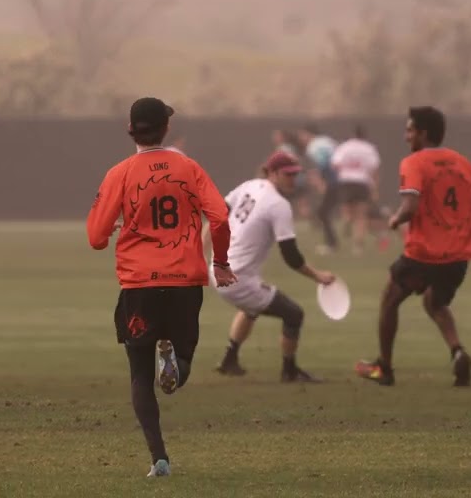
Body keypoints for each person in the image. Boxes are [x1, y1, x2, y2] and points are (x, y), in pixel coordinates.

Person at [86, 97, 237, 479]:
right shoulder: (189, 167)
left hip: (139, 284)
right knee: (182, 361)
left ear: (130, 130)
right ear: (166, 129)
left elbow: (95, 237)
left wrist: (118, 227)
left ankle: (159, 459)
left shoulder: (119, 173)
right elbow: (219, 217)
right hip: (185, 281)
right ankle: (173, 362)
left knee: (139, 373)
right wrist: (220, 262)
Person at [355, 107, 471, 387]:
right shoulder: (462, 162)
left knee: (389, 301)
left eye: (410, 130)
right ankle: (457, 351)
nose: (406, 136)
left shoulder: (414, 162)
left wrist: (395, 218)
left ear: (423, 133)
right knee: (434, 301)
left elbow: (410, 205)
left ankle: (385, 368)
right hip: (458, 256)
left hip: (424, 254)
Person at [215, 151, 336, 382]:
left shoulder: (250, 185)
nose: (293, 179)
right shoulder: (278, 205)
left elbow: (217, 212)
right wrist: (318, 276)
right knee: (294, 314)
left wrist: (202, 250)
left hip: (219, 269)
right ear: (272, 173)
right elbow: (291, 256)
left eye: (295, 175)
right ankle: (289, 371)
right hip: (237, 279)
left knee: (251, 308)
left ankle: (229, 360)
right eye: (287, 175)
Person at [331, 125, 381, 253]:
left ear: (353, 134)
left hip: (346, 181)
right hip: (362, 182)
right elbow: (374, 169)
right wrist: (375, 189)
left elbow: (334, 164)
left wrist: (342, 173)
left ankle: (347, 221)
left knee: (347, 212)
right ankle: (358, 246)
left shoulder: (344, 146)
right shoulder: (369, 148)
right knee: (361, 216)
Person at [299, 124, 340, 254]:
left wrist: (321, 182)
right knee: (325, 211)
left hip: (333, 181)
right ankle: (332, 243)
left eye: (302, 134)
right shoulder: (328, 141)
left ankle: (331, 244)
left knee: (322, 212)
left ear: (308, 133)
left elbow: (321, 165)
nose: (301, 138)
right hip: (343, 179)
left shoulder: (313, 146)